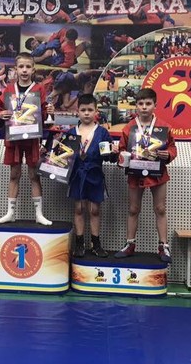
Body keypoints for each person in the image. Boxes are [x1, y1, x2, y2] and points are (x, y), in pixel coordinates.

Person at [115, 88, 177, 262]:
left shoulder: (164, 126)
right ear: (136, 106)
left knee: (160, 208)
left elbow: (172, 148)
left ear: (155, 105)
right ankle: (130, 244)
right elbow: (122, 149)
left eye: (148, 103)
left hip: (158, 172)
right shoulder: (129, 128)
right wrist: (121, 157)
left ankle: (163, 246)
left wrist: (168, 155)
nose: (144, 107)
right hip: (135, 173)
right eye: (141, 103)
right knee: (133, 209)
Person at [0, 53, 54, 225]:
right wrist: (1, 115)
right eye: (21, 67)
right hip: (14, 138)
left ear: (33, 69)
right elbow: (0, 110)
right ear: (15, 69)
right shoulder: (8, 90)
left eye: (28, 67)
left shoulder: (39, 89)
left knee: (34, 175)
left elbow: (44, 115)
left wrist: (49, 113)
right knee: (14, 174)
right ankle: (10, 213)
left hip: (32, 138)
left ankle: (39, 214)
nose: (24, 70)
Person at [67, 94, 113, 258]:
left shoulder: (102, 133)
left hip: (95, 175)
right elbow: (64, 157)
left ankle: (96, 244)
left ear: (96, 111)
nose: (86, 113)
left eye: (90, 110)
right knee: (79, 209)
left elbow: (109, 158)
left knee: (94, 210)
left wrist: (114, 152)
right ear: (77, 111)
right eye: (83, 110)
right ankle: (79, 243)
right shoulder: (71, 133)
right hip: (77, 176)